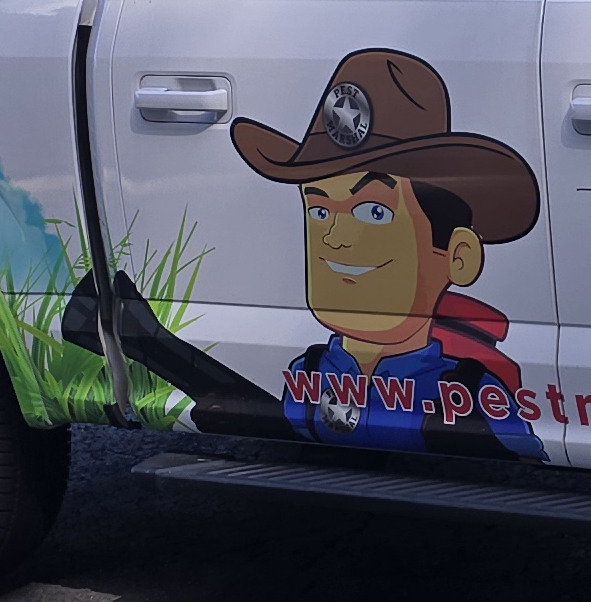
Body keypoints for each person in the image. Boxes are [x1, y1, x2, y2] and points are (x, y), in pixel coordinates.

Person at [230, 48, 547, 462]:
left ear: (459, 256)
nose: (336, 238)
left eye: (374, 212)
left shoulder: (471, 393)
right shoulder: (305, 373)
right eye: (320, 210)